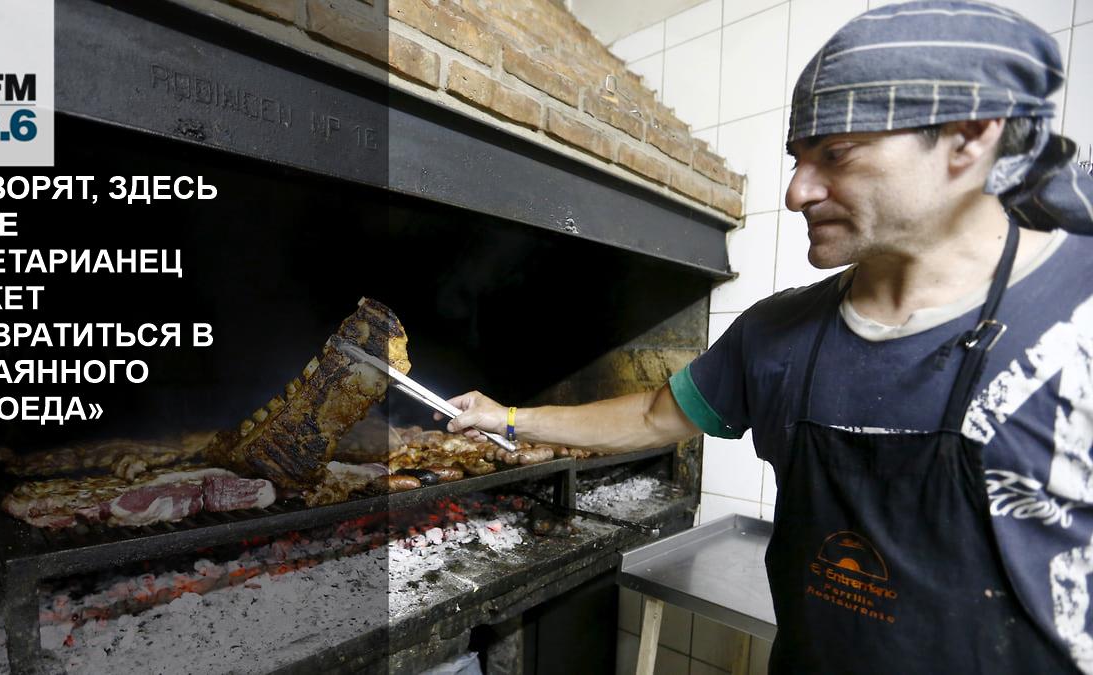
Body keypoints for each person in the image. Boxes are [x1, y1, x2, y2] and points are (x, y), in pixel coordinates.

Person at [438, 2, 1093, 673]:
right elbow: (653, 415)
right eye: (797, 159)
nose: (796, 192)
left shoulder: (1079, 318)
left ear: (969, 136)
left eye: (835, 153)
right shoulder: (778, 332)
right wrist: (506, 418)